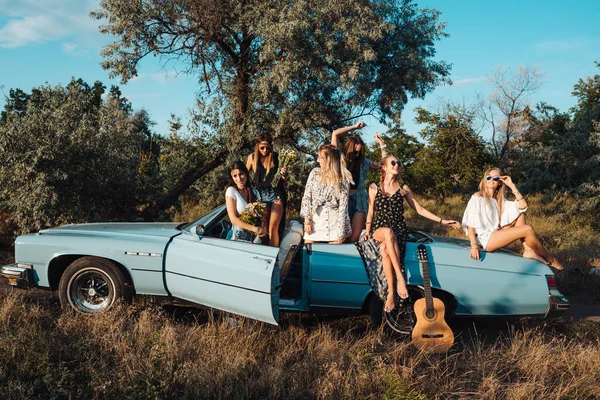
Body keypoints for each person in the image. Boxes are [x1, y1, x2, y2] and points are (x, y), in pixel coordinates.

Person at [358, 155, 461, 312]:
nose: (397, 165)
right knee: (387, 232)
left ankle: (391, 293)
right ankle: (400, 278)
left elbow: (419, 209)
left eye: (399, 163)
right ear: (384, 167)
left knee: (385, 249)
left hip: (398, 229)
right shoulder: (373, 187)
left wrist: (442, 221)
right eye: (393, 163)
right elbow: (370, 212)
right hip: (380, 228)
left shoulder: (403, 188)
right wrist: (367, 230)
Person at [462, 167, 564, 269]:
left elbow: (522, 207)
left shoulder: (499, 201)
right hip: (485, 239)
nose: (491, 180)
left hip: (494, 233)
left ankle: (528, 250)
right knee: (527, 229)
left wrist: (512, 186)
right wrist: (474, 246)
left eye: (495, 178)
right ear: (485, 179)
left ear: (500, 182)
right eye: (488, 177)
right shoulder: (478, 196)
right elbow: (471, 223)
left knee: (519, 214)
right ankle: (550, 259)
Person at [331, 122, 388, 242]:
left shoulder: (364, 162)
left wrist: (382, 145)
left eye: (361, 146)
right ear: (350, 146)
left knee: (354, 238)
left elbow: (384, 165)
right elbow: (335, 134)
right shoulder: (339, 159)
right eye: (356, 145)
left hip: (359, 200)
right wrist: (354, 127)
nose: (359, 148)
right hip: (341, 200)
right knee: (340, 237)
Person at [300, 144, 353, 244]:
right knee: (309, 252)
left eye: (320, 157)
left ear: (329, 160)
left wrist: (340, 231)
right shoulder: (314, 173)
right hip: (315, 220)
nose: (317, 160)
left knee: (332, 256)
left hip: (335, 222)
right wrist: (307, 220)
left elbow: (343, 206)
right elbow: (307, 197)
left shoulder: (343, 179)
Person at [246, 133, 288, 247]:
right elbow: (244, 175)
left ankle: (274, 256)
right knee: (262, 229)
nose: (265, 150)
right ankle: (264, 252)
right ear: (257, 146)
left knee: (273, 228)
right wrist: (248, 193)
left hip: (276, 194)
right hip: (260, 196)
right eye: (262, 147)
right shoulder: (252, 158)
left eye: (268, 148)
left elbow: (284, 180)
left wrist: (284, 174)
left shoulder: (276, 157)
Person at [225, 161, 265, 242]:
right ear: (231, 177)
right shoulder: (231, 191)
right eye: (235, 176)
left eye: (241, 174)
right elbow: (233, 219)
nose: (239, 179)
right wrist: (254, 229)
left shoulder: (255, 192)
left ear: (246, 173)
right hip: (238, 236)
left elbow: (262, 215)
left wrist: (260, 230)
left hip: (254, 236)